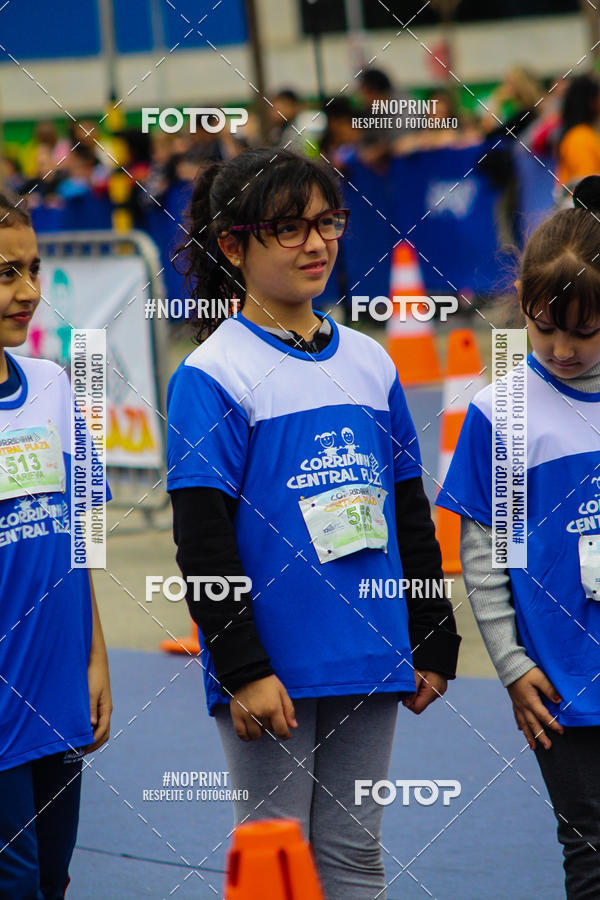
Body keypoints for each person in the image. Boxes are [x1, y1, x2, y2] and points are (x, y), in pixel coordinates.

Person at [166, 147, 461, 899]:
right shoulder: (212, 374)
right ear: (234, 246)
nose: (318, 243)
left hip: (369, 650)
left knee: (355, 857)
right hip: (274, 668)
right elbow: (202, 541)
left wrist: (432, 633)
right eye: (290, 228)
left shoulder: (371, 362)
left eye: (328, 222)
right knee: (279, 860)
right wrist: (243, 669)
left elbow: (408, 511)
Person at [436, 175, 600, 899]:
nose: (561, 348)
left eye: (584, 332)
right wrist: (510, 663)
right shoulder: (502, 413)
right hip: (561, 681)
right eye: (544, 327)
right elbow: (487, 554)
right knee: (590, 844)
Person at [0, 192, 112, 899]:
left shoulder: (51, 384)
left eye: (34, 268)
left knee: (51, 878)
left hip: (60, 692)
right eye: (6, 273)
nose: (29, 291)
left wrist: (95, 657)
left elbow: (83, 529)